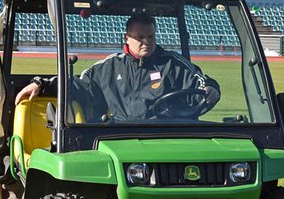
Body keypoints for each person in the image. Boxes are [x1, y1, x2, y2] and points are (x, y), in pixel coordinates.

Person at [15, 12, 220, 122]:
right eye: (140, 37)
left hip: (164, 134)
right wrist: (41, 84)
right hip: (120, 135)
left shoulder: (172, 64)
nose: (146, 42)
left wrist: (211, 89)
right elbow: (77, 84)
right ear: (127, 38)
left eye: (151, 36)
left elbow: (201, 84)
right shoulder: (110, 67)